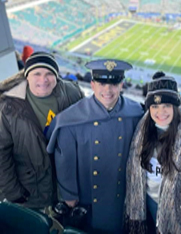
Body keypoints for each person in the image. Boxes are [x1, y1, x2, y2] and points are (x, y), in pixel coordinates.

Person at [46, 59, 144, 233]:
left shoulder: (135, 113)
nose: (107, 90)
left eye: (114, 83)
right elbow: (65, 161)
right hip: (87, 199)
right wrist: (69, 195)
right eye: (101, 83)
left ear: (121, 85)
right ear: (92, 84)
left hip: (122, 197)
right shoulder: (71, 118)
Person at [0, 51, 84, 209]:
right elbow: (1, 154)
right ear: (27, 76)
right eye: (36, 73)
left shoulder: (71, 94)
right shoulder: (9, 107)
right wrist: (14, 193)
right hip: (30, 194)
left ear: (57, 76)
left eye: (49, 73)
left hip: (65, 192)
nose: (43, 80)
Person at [124, 75, 181, 233]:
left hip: (174, 209)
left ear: (175, 106)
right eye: (155, 106)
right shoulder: (142, 129)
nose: (161, 112)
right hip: (144, 204)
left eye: (166, 105)